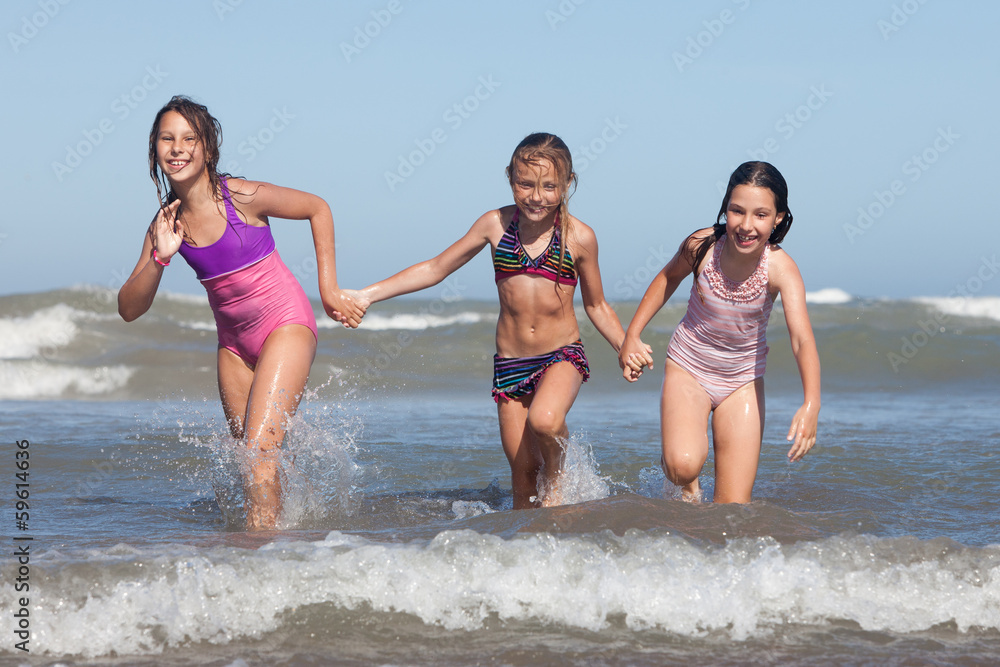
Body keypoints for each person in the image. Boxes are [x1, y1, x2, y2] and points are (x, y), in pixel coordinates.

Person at [345, 133, 630, 509]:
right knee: (523, 475)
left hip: (561, 356)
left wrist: (627, 346)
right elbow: (435, 268)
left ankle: (558, 484)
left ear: (567, 184)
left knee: (545, 420)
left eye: (549, 186)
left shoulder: (579, 237)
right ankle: (530, 548)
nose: (536, 196)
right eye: (525, 183)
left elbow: (597, 306)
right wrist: (367, 295)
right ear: (511, 177)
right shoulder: (495, 225)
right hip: (510, 366)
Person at [118, 95, 364, 529]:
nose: (177, 148)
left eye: (189, 139)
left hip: (285, 324)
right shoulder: (165, 225)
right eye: (166, 139)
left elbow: (316, 207)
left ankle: (254, 556)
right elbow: (129, 308)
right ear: (154, 149)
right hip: (232, 346)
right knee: (252, 463)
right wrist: (161, 257)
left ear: (207, 149)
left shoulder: (239, 196)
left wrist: (328, 289)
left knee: (260, 454)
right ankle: (281, 541)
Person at [619, 161, 820, 503]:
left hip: (742, 382)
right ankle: (684, 479)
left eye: (760, 215)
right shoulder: (702, 246)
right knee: (682, 466)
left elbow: (801, 339)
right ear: (725, 207)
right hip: (689, 368)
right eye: (737, 211)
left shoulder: (781, 268)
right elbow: (667, 279)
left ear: (779, 219)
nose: (746, 225)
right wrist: (631, 336)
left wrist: (811, 403)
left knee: (732, 510)